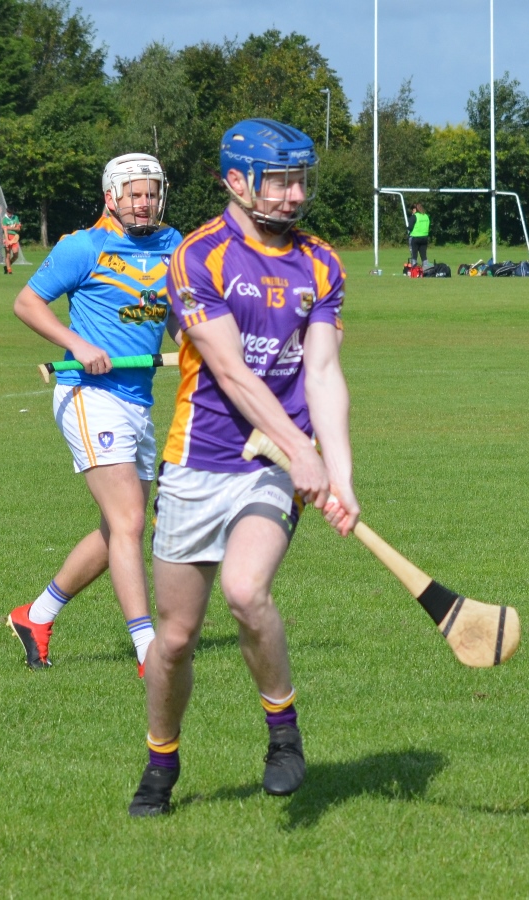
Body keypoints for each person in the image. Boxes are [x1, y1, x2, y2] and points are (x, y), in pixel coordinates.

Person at [128, 118, 359, 818]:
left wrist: (338, 473)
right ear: (237, 180)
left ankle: (283, 737)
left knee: (247, 591)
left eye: (299, 182)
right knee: (174, 638)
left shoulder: (322, 262)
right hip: (199, 460)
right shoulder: (199, 256)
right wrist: (301, 448)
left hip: (270, 467)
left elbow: (322, 372)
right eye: (280, 182)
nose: (294, 196)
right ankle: (161, 762)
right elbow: (228, 372)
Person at [8, 154, 182, 675]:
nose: (144, 201)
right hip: (87, 393)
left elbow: (174, 312)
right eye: (134, 193)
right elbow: (27, 303)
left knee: (117, 531)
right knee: (129, 521)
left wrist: (199, 350)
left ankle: (34, 616)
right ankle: (148, 650)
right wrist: (77, 344)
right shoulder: (83, 246)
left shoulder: (173, 245)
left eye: (150, 192)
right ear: (112, 197)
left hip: (138, 396)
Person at [407, 202, 429, 269]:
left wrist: (407, 228)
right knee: (423, 255)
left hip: (415, 237)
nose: (412, 211)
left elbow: (410, 227)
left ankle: (414, 269)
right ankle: (426, 269)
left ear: (415, 209)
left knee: (414, 254)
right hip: (424, 237)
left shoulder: (414, 216)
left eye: (412, 209)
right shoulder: (426, 216)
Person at [1, 207, 21, 275]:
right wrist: (7, 240)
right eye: (8, 213)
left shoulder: (16, 217)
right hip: (7, 236)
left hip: (14, 237)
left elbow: (18, 229)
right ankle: (9, 270)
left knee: (16, 255)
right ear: (6, 211)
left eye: (11, 213)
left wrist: (9, 227)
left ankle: (7, 266)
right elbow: (5, 230)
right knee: (8, 254)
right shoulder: (4, 219)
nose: (10, 214)